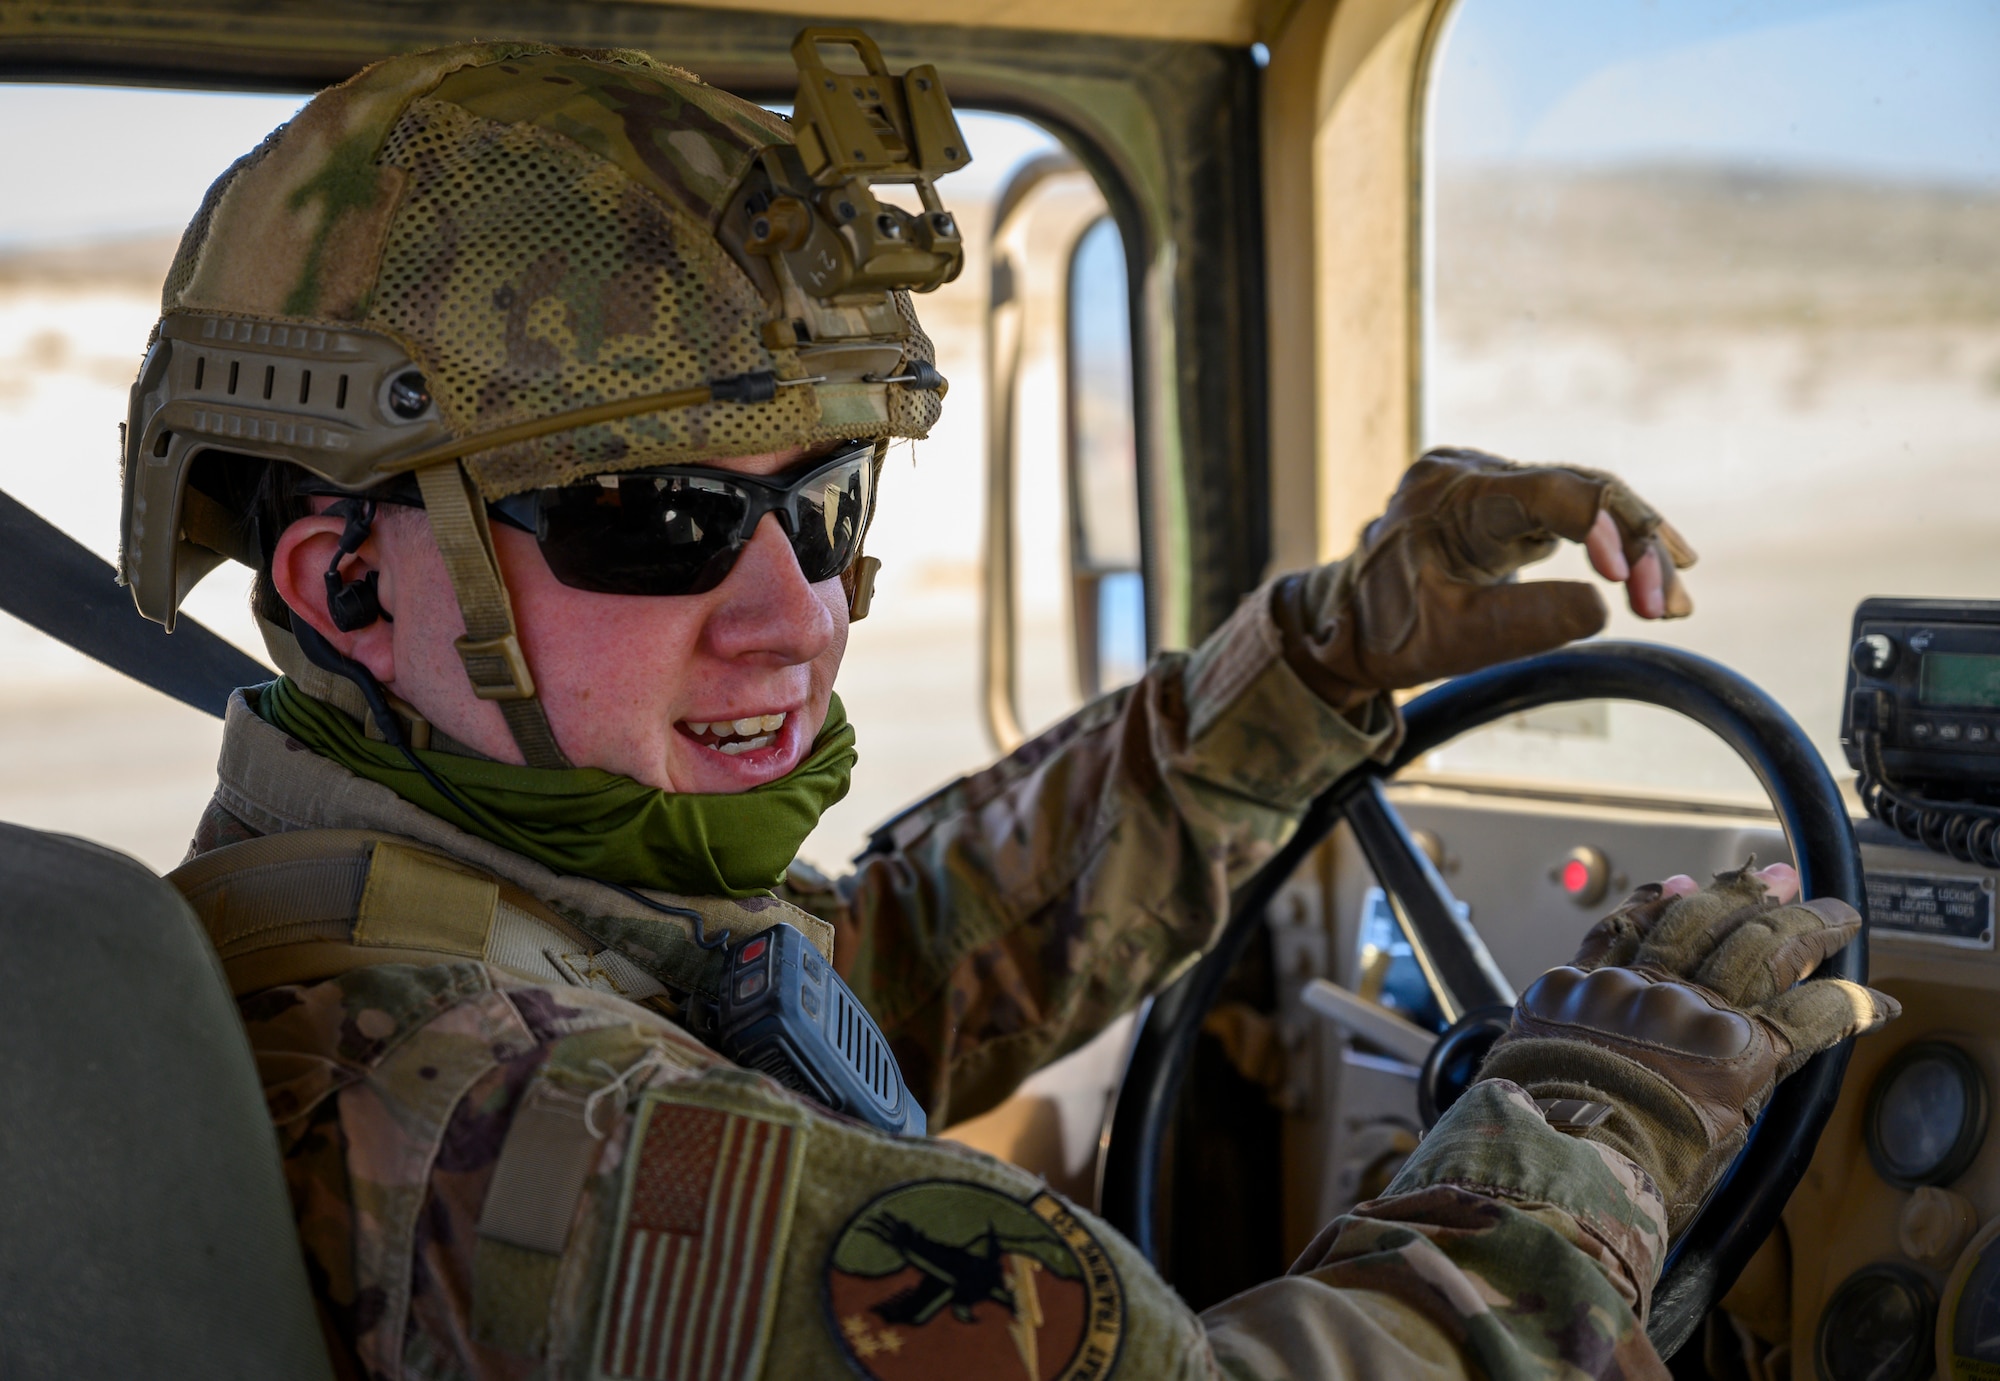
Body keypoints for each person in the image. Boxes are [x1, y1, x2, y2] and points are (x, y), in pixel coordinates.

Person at [122, 36, 1896, 1380]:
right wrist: (1595, 1110)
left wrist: (1324, 654)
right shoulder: (538, 1131)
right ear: (347, 584)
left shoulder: (454, 918)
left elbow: (882, 967)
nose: (796, 615)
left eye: (821, 502)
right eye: (654, 521)